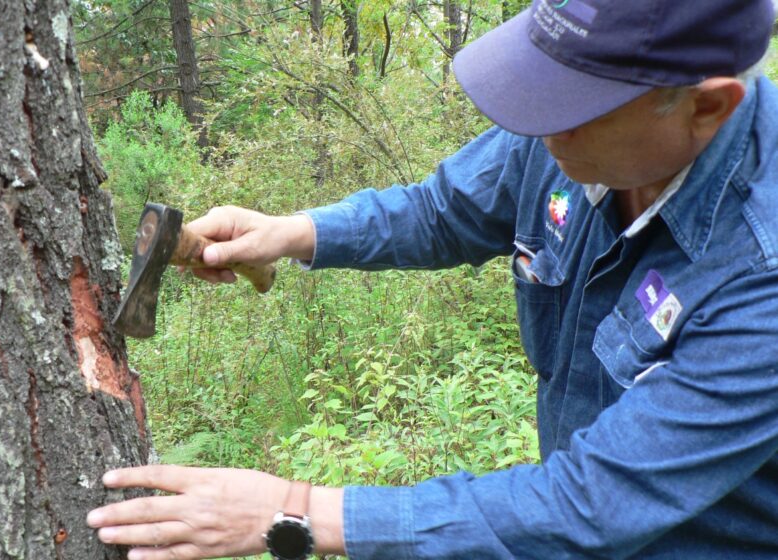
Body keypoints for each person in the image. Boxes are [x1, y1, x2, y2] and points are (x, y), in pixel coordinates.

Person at [87, 0, 778, 558]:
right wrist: (294, 232)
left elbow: (587, 506)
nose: (540, 128)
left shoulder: (762, 280)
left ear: (706, 106)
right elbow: (442, 211)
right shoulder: (577, 116)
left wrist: (291, 511)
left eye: (570, 110)